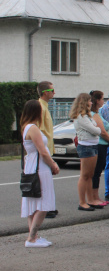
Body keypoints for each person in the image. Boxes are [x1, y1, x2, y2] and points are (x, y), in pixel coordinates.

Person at [20, 100, 60, 247]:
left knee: (32, 201)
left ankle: (34, 236)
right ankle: (31, 238)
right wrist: (53, 165)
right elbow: (42, 151)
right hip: (40, 168)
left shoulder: (25, 127)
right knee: (44, 202)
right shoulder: (33, 128)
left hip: (31, 166)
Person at [71, 93, 105, 211]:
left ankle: (91, 200)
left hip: (93, 146)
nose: (91, 103)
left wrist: (97, 129)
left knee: (90, 175)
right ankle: (82, 202)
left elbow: (95, 128)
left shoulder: (87, 116)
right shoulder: (81, 117)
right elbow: (95, 130)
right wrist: (98, 129)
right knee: (84, 175)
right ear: (84, 102)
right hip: (86, 147)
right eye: (89, 101)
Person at [36, 81, 58, 218]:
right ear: (45, 93)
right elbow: (38, 130)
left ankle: (48, 206)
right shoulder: (40, 107)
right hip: (43, 150)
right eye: (52, 90)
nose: (54, 93)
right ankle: (44, 208)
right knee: (42, 180)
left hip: (47, 149)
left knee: (47, 180)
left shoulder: (45, 106)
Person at [89, 91, 109, 205]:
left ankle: (96, 196)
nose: (104, 101)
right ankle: (93, 197)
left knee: (97, 172)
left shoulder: (98, 113)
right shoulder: (94, 114)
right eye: (103, 99)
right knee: (96, 172)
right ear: (97, 100)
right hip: (99, 145)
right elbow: (102, 131)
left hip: (103, 145)